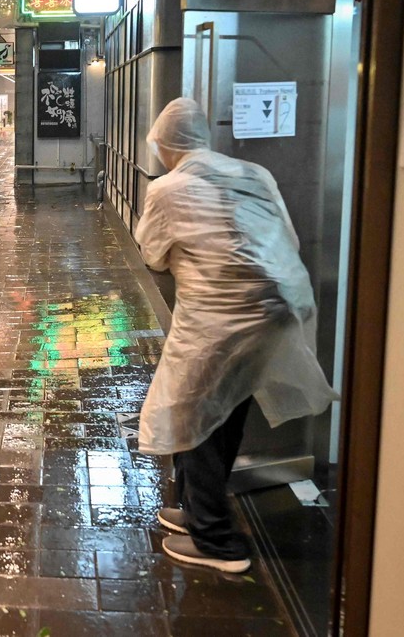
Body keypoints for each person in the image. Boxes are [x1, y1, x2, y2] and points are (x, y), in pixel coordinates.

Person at [135, 98, 336, 574]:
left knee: (191, 415)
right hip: (279, 309)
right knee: (223, 409)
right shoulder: (254, 174)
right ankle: (197, 512)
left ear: (166, 146)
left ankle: (218, 543)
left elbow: (152, 253)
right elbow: (288, 237)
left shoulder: (168, 189)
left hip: (221, 319)